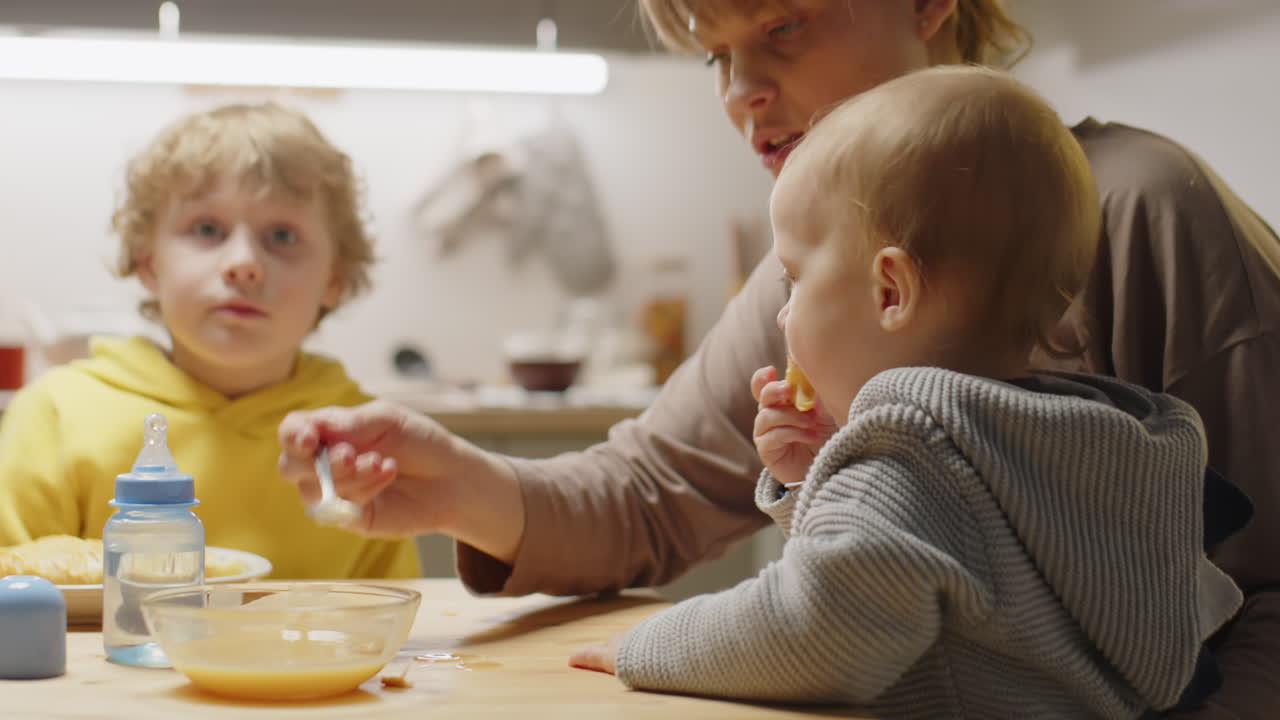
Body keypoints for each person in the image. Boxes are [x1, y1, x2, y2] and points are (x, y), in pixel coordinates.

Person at [277, 2, 1280, 714]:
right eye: (713, 56)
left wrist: (653, 645)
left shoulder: (1144, 207)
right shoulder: (820, 276)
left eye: (780, 28)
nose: (738, 92)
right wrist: (456, 488)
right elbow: (652, 489)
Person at [567, 64, 1244, 717]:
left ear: (890, 290)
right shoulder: (1088, 446)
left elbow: (818, 631)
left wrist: (650, 644)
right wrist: (820, 485)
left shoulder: (910, 461)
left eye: (795, 279)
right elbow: (950, 594)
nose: (781, 312)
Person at [0, 102, 419, 580]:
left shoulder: (360, 440)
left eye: (281, 235)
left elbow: (397, 616)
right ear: (149, 262)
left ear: (335, 278)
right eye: (206, 229)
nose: (243, 262)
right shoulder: (57, 415)